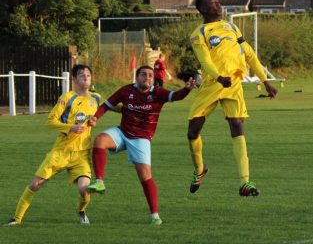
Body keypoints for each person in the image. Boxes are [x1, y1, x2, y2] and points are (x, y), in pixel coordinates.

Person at [188, 0, 278, 196]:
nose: (219, 6)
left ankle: (245, 183)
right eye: (214, 3)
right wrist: (218, 77)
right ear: (203, 9)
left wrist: (265, 81)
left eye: (219, 2)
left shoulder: (231, 27)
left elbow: (249, 54)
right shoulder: (199, 33)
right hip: (212, 84)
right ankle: (200, 170)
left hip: (234, 83)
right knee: (193, 131)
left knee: (237, 125)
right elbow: (204, 60)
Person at [86, 65, 196, 225]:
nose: (148, 78)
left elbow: (177, 96)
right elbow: (106, 106)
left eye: (150, 75)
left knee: (145, 176)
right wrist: (95, 117)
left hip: (141, 139)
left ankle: (155, 216)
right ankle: (100, 181)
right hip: (122, 133)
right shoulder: (126, 91)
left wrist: (187, 89)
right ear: (137, 77)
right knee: (100, 140)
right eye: (144, 75)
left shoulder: (158, 93)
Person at [6, 64, 101, 226]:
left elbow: (102, 112)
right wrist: (70, 127)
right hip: (61, 152)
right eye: (81, 75)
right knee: (35, 184)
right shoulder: (67, 97)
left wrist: (94, 120)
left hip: (81, 154)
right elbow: (50, 122)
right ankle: (17, 218)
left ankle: (81, 211)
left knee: (84, 190)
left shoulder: (96, 98)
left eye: (88, 75)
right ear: (74, 79)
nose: (85, 77)